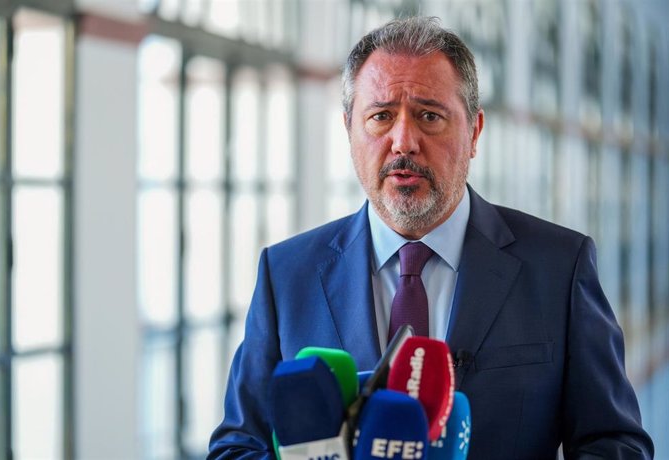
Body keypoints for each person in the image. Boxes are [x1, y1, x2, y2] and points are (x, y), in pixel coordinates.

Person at [208, 16, 654, 459]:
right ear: (349, 131)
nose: (403, 141)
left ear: (474, 132)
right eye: (380, 117)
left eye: (429, 116)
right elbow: (237, 447)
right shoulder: (286, 275)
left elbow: (616, 444)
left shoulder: (559, 267)